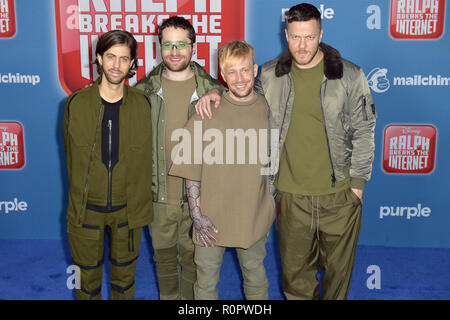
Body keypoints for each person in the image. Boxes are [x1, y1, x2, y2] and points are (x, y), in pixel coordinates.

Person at [195, 3, 377, 300]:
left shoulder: (349, 75)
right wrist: (214, 90)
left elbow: (364, 131)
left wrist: (357, 186)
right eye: (295, 37)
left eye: (309, 37)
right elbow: (240, 93)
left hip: (339, 196)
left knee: (338, 281)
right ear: (286, 34)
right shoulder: (270, 75)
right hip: (291, 197)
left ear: (321, 34)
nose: (302, 45)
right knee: (295, 281)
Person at [169, 40, 275, 300]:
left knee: (255, 275)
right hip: (210, 218)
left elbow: (274, 162)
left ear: (255, 70)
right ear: (222, 74)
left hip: (253, 215)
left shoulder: (268, 108)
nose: (239, 79)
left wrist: (269, 202)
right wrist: (196, 214)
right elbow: (191, 169)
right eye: (231, 72)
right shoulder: (206, 111)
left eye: (245, 70)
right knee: (204, 281)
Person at [134, 16, 223, 300]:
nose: (174, 51)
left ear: (194, 48)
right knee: (164, 262)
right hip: (158, 198)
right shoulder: (141, 93)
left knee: (195, 265)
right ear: (159, 47)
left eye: (181, 44)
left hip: (199, 200)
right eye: (168, 44)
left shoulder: (217, 92)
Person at [62, 30, 152, 300]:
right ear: (99, 58)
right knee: (85, 284)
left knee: (124, 284)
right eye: (110, 57)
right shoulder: (75, 105)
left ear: (132, 63)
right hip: (86, 212)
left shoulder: (142, 105)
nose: (116, 65)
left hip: (128, 212)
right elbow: (69, 153)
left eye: (124, 59)